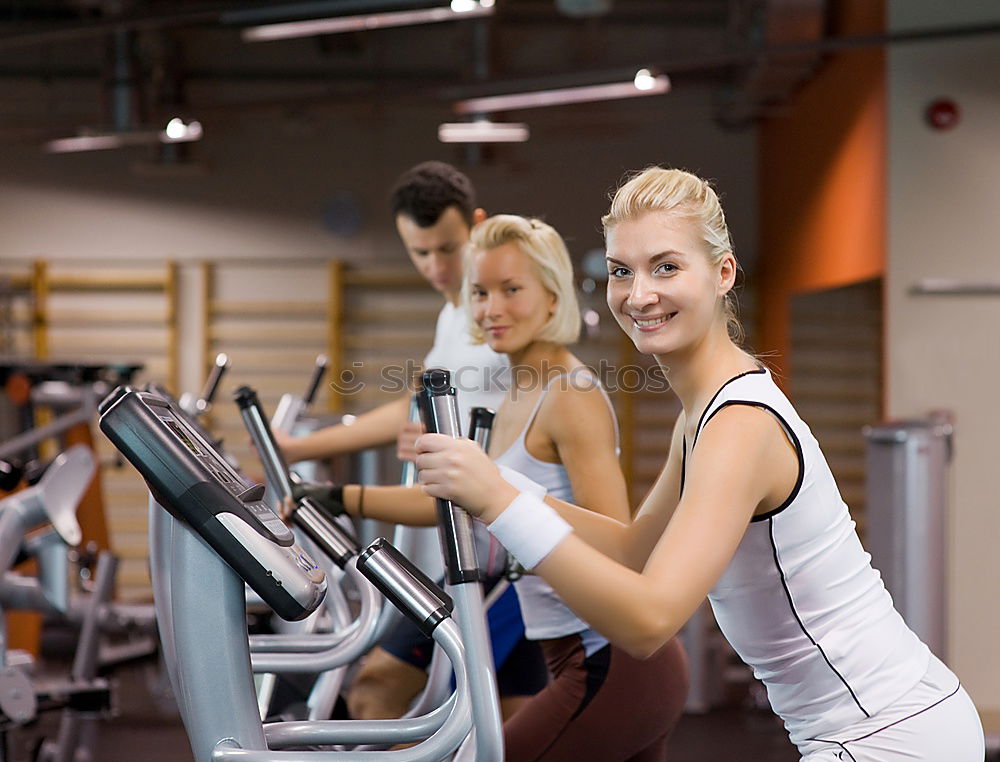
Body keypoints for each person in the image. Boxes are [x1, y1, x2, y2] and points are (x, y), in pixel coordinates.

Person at [414, 167, 986, 762]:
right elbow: (635, 549)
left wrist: (499, 503)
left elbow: (649, 620)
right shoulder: (704, 415)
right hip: (878, 722)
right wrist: (501, 479)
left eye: (666, 266)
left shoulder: (738, 426)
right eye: (620, 272)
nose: (639, 295)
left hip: (890, 735)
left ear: (723, 272)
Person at [276, 161, 544, 722]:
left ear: (477, 224)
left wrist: (438, 446)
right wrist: (305, 446)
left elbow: (502, 445)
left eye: (447, 248)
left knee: (377, 690)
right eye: (419, 253)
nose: (436, 267)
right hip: (463, 545)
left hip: (502, 555)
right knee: (518, 723)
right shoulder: (455, 315)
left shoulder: (499, 323)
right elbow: (419, 404)